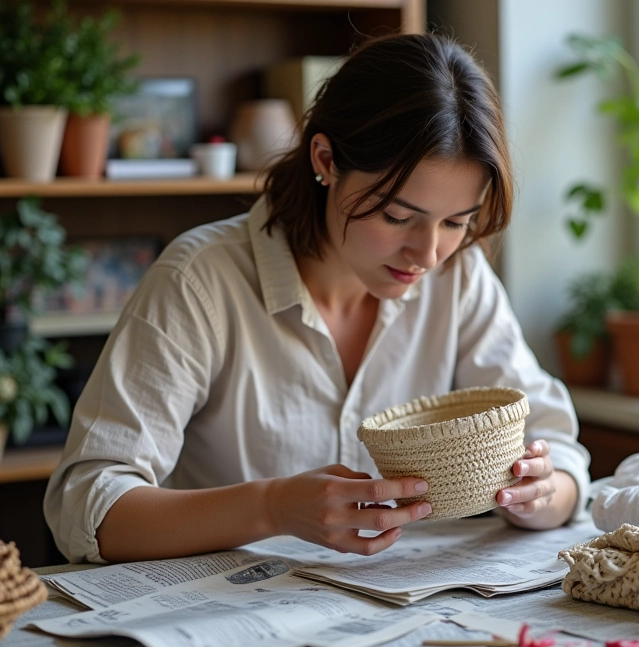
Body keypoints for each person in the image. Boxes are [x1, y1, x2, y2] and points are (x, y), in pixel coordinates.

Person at [44, 33, 591, 564]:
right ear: (326, 161)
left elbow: (559, 453)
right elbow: (88, 506)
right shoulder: (201, 280)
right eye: (397, 216)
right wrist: (271, 506)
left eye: (455, 221)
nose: (427, 253)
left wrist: (541, 494)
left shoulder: (460, 276)